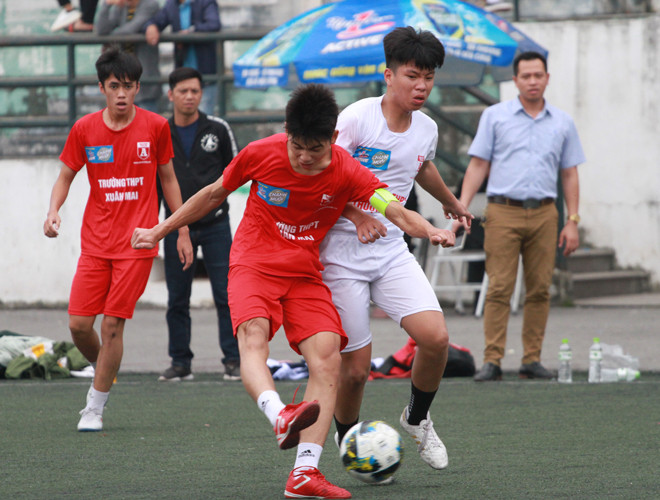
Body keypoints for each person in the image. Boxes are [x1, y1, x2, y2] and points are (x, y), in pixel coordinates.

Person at [131, 83, 456, 499]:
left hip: (304, 271)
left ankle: (304, 472)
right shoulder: (259, 153)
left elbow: (393, 209)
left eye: (314, 149)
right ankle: (278, 414)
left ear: (333, 138)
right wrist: (160, 229)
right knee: (253, 339)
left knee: (327, 358)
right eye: (297, 146)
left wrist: (430, 229)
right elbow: (213, 194)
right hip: (253, 263)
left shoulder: (348, 169)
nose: (304, 157)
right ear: (286, 131)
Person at [317, 26, 472, 471]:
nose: (421, 86)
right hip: (340, 254)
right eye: (412, 76)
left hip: (390, 250)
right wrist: (356, 215)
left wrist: (451, 202)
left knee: (436, 339)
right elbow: (324, 174)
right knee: (355, 371)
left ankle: (417, 419)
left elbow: (421, 166)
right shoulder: (357, 118)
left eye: (429, 77)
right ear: (389, 75)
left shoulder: (427, 127)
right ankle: (351, 441)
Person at [43, 48, 193, 432]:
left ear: (138, 88)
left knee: (112, 325)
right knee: (79, 326)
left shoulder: (156, 126)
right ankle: (105, 369)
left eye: (128, 86)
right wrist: (53, 210)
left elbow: (168, 179)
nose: (121, 93)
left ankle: (94, 407)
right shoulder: (84, 129)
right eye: (114, 86)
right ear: (102, 88)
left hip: (138, 243)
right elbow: (65, 176)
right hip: (95, 242)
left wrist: (181, 230)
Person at [454, 51, 585, 382]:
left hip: (545, 213)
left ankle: (532, 359)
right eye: (526, 76)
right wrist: (461, 208)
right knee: (499, 286)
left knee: (540, 288)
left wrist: (572, 220)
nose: (532, 81)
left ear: (547, 78)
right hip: (503, 211)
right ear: (515, 80)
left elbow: (569, 172)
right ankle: (492, 360)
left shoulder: (563, 122)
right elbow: (478, 164)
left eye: (538, 75)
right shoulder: (495, 117)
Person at [157, 67, 240, 382]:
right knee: (177, 297)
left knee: (226, 294)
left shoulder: (218, 129)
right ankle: (180, 362)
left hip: (217, 225)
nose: (189, 97)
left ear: (201, 93)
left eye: (194, 91)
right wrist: (161, 227)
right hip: (176, 227)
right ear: (171, 95)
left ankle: (233, 360)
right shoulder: (160, 131)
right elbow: (156, 182)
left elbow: (236, 172)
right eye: (183, 91)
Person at [144, 0, 220, 115]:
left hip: (205, 76)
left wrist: (191, 32)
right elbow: (156, 21)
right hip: (182, 77)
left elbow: (214, 24)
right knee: (183, 119)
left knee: (204, 118)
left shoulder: (205, 2)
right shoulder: (172, 4)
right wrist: (151, 26)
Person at [95, 0, 162, 113]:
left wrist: (109, 39)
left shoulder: (150, 5)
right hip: (122, 78)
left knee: (147, 120)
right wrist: (106, 5)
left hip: (145, 79)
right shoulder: (121, 7)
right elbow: (101, 30)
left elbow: (131, 29)